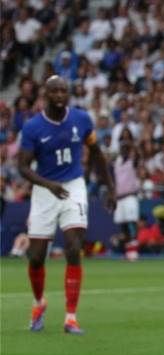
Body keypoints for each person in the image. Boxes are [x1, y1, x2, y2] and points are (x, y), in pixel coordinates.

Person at [18, 75, 115, 335]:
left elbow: (96, 154)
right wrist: (47, 184)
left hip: (73, 187)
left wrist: (110, 187)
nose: (60, 95)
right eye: (55, 91)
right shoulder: (32, 127)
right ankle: (39, 303)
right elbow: (22, 166)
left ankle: (70, 317)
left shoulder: (82, 120)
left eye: (64, 90)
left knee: (73, 247)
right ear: (45, 95)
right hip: (45, 190)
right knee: (36, 257)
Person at [113, 134, 140, 260]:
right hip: (119, 198)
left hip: (130, 197)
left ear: (129, 151)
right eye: (122, 149)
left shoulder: (132, 162)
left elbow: (138, 156)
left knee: (131, 223)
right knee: (123, 226)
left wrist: (132, 144)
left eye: (125, 149)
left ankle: (134, 252)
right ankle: (128, 252)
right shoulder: (117, 163)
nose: (123, 151)